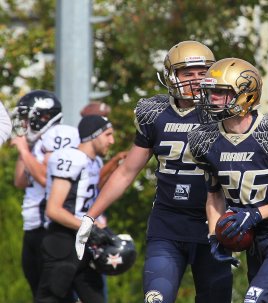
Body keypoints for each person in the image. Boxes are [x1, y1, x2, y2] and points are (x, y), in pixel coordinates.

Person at [75, 41, 233, 303]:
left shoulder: (223, 113)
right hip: (168, 223)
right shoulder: (155, 113)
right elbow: (127, 171)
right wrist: (90, 216)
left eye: (202, 72)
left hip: (213, 224)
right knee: (155, 298)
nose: (195, 80)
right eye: (187, 73)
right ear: (172, 76)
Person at [189, 57, 268, 302]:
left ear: (245, 95)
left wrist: (256, 214)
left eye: (220, 92)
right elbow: (214, 195)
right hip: (254, 237)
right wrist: (216, 234)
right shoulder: (203, 139)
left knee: (255, 298)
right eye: (209, 91)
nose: (211, 98)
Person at [36, 115, 114, 302]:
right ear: (94, 136)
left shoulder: (95, 162)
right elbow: (54, 210)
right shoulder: (71, 158)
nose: (112, 141)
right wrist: (91, 228)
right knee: (51, 297)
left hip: (84, 241)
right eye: (108, 135)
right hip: (63, 240)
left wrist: (102, 229)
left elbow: (87, 203)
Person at [10, 90, 80, 299]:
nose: (23, 123)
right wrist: (26, 150)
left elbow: (46, 179)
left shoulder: (60, 137)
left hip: (50, 229)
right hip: (32, 227)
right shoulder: (36, 143)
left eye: (26, 117)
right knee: (38, 294)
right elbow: (20, 181)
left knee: (53, 296)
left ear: (42, 116)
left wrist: (23, 150)